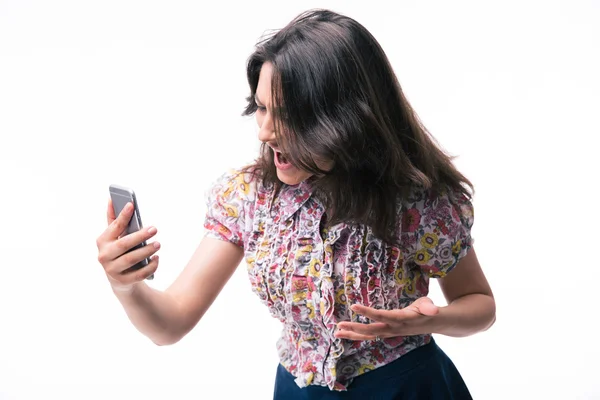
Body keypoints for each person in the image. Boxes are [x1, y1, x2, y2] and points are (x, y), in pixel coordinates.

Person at [95, 9, 495, 399]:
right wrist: (125, 285)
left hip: (409, 388)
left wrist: (428, 320)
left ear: (345, 119)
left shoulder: (414, 203)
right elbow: (170, 324)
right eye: (261, 108)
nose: (265, 132)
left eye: (288, 116)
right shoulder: (249, 198)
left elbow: (480, 305)